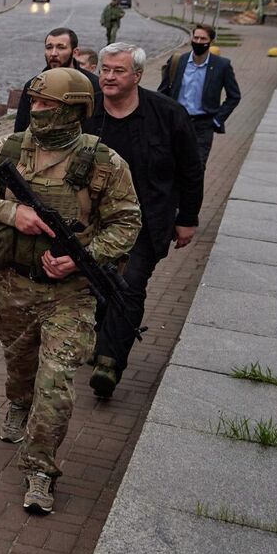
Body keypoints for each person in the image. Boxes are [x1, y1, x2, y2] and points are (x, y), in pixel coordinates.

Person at [0, 68, 142, 514]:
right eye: (34, 103)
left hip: (72, 294)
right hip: (13, 284)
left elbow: (127, 222)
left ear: (74, 110)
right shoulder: (7, 147)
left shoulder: (104, 163)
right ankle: (18, 403)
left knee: (57, 381)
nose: (36, 111)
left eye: (48, 106)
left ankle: (40, 468)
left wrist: (86, 255)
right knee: (19, 362)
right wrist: (10, 212)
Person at [84, 44, 203, 398]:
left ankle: (108, 361)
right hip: (92, 223)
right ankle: (104, 337)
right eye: (105, 69)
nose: (108, 76)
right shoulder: (86, 114)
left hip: (146, 224)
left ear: (137, 75)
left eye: (118, 71)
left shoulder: (167, 115)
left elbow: (190, 170)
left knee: (129, 283)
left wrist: (188, 218)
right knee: (96, 288)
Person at [157, 24, 242, 172]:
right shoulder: (178, 62)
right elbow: (162, 92)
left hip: (203, 125)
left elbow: (234, 96)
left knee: (196, 168)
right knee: (171, 165)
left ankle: (192, 195)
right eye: (195, 37)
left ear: (211, 41)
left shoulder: (222, 65)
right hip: (177, 122)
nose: (198, 41)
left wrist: (217, 120)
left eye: (203, 38)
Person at [13, 28, 100, 133]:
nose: (53, 53)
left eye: (61, 47)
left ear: (75, 52)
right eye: (49, 47)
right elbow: (21, 129)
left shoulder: (93, 85)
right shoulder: (33, 85)